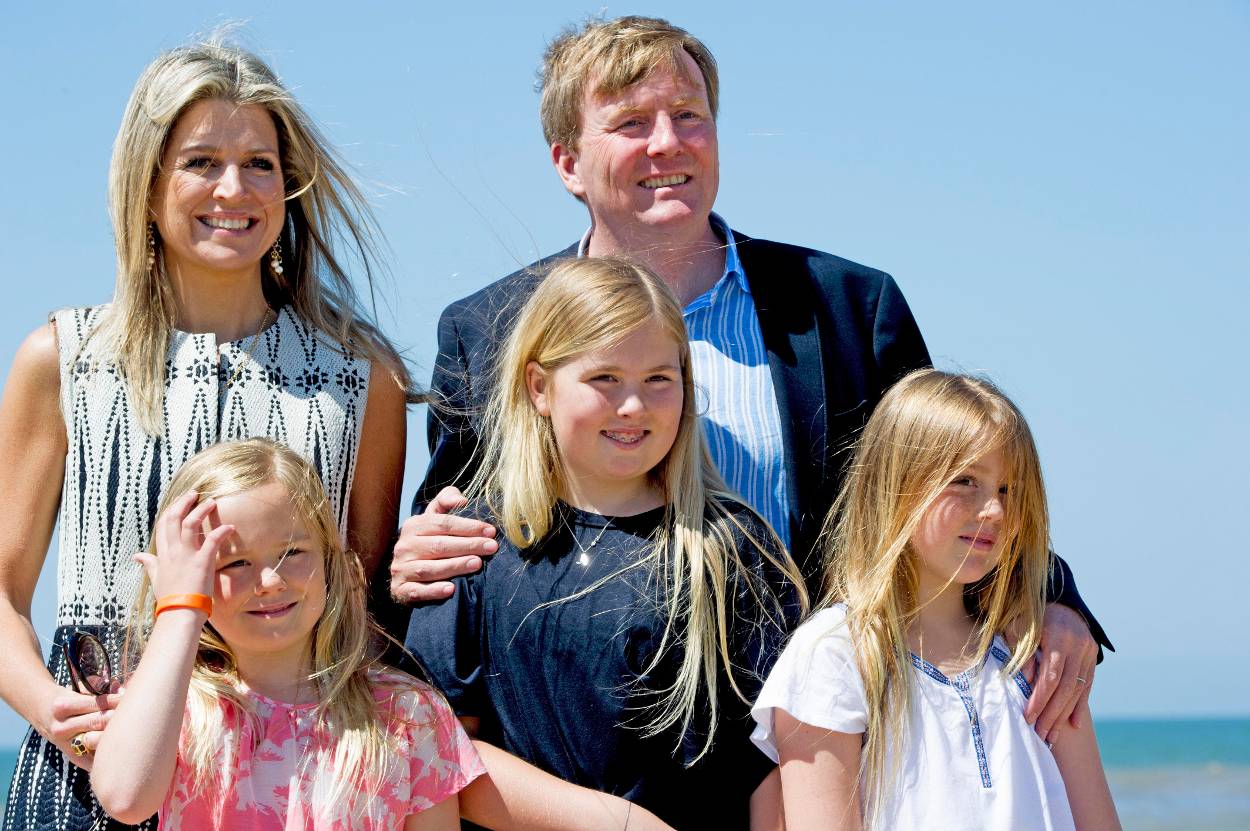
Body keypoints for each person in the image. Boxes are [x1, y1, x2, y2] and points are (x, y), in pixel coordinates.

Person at [389, 14, 1109, 742]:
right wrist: (411, 558)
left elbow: (951, 480)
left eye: (689, 115)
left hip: (829, 745)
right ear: (568, 163)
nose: (667, 142)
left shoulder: (849, 307)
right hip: (591, 767)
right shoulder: (486, 331)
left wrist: (1052, 597)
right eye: (632, 122)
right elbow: (451, 550)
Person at [0, 38, 409, 830]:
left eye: (259, 163)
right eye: (200, 162)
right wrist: (55, 712)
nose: (233, 188)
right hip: (88, 770)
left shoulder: (362, 376)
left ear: (288, 185)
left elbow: (368, 610)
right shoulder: (62, 359)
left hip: (287, 782)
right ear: (147, 183)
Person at [405, 257, 807, 829]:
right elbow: (436, 748)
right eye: (605, 379)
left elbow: (769, 763)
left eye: (659, 379)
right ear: (539, 387)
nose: (633, 405)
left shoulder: (734, 548)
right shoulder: (472, 544)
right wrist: (614, 823)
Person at [750, 370, 1121, 830]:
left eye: (1009, 490)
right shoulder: (834, 654)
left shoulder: (1033, 654)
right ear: (895, 483)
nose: (995, 510)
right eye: (965, 480)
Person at [89, 438, 480, 829]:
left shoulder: (407, 713)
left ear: (328, 556)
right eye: (234, 563)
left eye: (292, 552)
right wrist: (179, 610)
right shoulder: (175, 707)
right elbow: (125, 798)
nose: (270, 581)